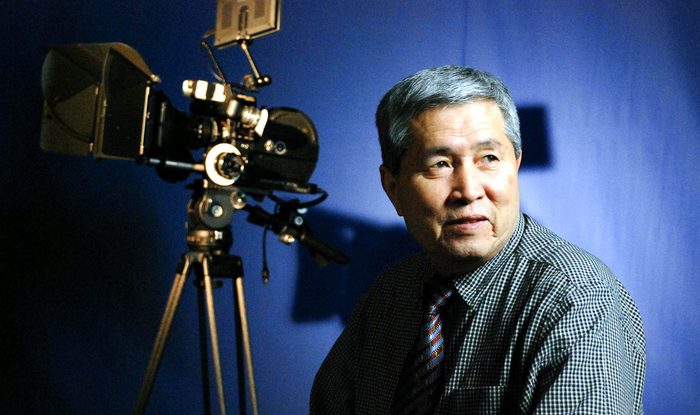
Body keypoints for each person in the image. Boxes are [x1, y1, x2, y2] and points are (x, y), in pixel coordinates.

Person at [310, 66, 646, 414]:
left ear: (515, 165)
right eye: (440, 164)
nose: (469, 191)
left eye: (489, 159)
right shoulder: (388, 297)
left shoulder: (575, 299)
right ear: (393, 188)